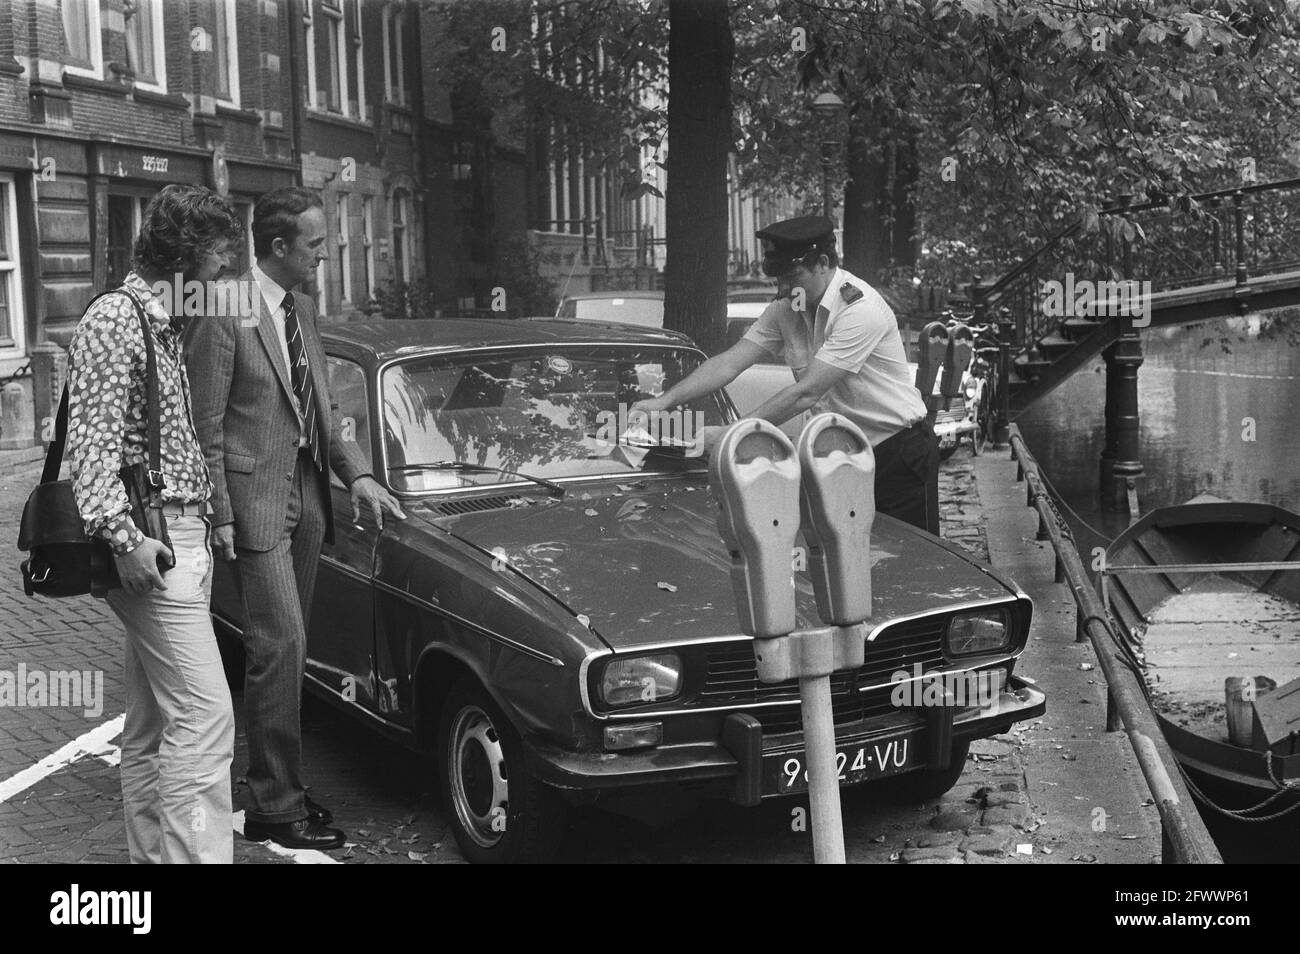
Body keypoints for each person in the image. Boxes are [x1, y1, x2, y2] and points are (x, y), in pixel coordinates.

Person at [184, 187, 404, 850]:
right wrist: (219, 514)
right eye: (313, 243)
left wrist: (359, 473)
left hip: (307, 502)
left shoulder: (302, 308)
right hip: (252, 506)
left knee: (292, 646)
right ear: (278, 246)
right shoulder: (225, 308)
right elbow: (206, 421)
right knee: (278, 644)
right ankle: (275, 804)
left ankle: (284, 786)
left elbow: (324, 413)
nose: (323, 253)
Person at [68, 184, 242, 863]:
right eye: (222, 248)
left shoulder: (159, 322)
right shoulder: (118, 318)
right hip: (153, 544)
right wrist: (125, 538)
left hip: (173, 538)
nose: (228, 263)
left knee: (150, 729)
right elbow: (92, 448)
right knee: (204, 718)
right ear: (189, 250)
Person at [632, 215, 940, 533]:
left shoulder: (859, 311)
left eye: (791, 275)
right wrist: (663, 401)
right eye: (778, 278)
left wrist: (732, 434)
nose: (782, 287)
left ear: (822, 263)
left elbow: (806, 393)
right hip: (842, 457)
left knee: (911, 564)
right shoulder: (787, 308)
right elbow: (730, 362)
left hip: (897, 454)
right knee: (849, 563)